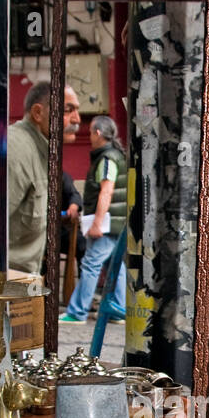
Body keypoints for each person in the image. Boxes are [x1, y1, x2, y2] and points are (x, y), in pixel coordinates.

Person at [7, 80, 81, 275]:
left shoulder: (43, 151)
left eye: (77, 110)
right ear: (38, 113)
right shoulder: (17, 150)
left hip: (22, 281)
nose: (77, 119)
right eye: (68, 110)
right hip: (3, 283)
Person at [60, 114, 127, 324]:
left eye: (90, 132)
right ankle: (119, 309)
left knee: (90, 264)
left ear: (98, 133)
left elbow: (106, 191)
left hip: (106, 223)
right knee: (115, 265)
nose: (88, 136)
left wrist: (97, 222)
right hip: (115, 222)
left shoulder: (107, 158)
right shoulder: (115, 155)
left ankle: (77, 311)